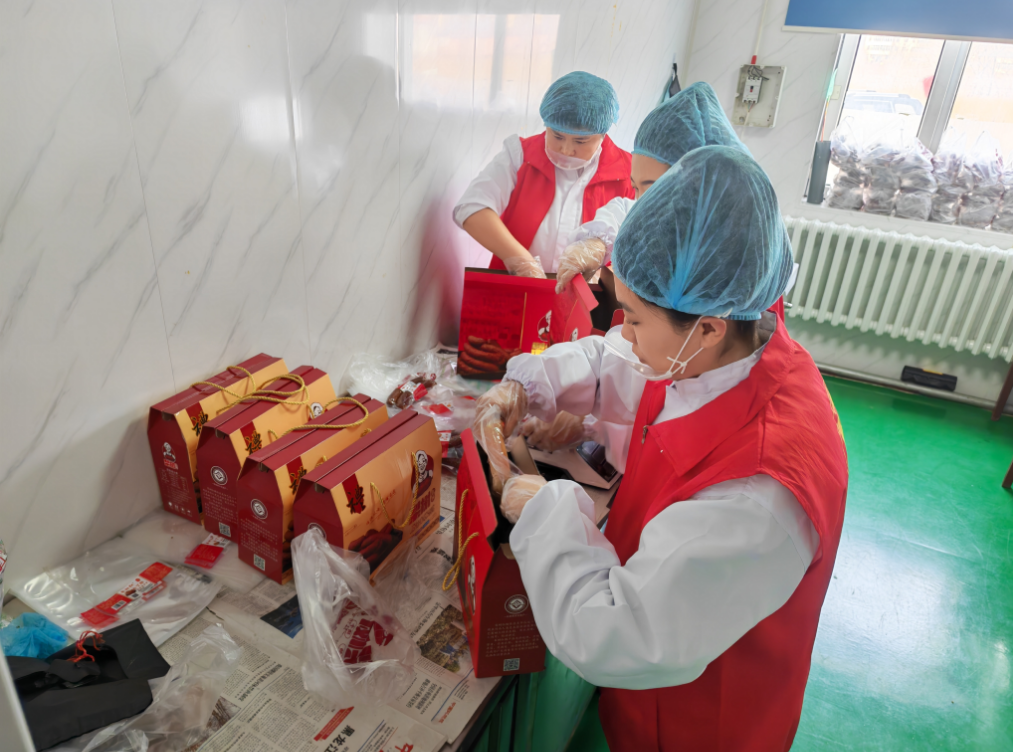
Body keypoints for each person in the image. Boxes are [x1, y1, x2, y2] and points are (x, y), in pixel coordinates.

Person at [473, 146, 849, 751]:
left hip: (704, 723)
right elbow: (624, 364)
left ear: (708, 326)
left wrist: (543, 509)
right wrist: (534, 381)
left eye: (633, 317)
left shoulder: (758, 496)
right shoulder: (728, 349)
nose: (621, 331)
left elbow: (616, 634)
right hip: (650, 701)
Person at [554, 81, 747, 293]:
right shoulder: (666, 219)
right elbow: (624, 210)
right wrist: (597, 243)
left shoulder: (736, 250)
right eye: (636, 188)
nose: (642, 203)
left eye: (653, 188)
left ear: (701, 185)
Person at [453, 71, 635, 277]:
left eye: (580, 141)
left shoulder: (630, 173)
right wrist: (521, 261)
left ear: (602, 134)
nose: (566, 150)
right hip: (514, 288)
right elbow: (471, 208)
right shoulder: (520, 155)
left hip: (588, 295)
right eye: (557, 136)